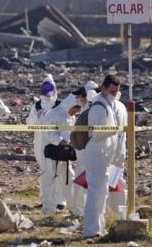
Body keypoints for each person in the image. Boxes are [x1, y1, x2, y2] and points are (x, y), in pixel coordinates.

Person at [82, 75, 127, 239]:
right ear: (103, 89)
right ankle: (91, 229)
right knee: (96, 193)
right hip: (97, 155)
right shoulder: (98, 107)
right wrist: (113, 130)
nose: (114, 94)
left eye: (116, 91)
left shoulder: (114, 106)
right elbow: (95, 133)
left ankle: (101, 226)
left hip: (108, 156)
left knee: (103, 194)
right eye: (111, 91)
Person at [40, 92, 81, 214]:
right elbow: (48, 132)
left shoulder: (70, 117)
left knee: (69, 180)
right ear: (70, 106)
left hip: (65, 155)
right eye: (75, 109)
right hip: (53, 153)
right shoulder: (54, 114)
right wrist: (59, 141)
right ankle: (48, 208)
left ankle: (74, 208)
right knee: (49, 181)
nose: (75, 113)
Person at [26, 75, 60, 210]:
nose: (47, 95)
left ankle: (58, 200)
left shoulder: (59, 105)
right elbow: (29, 122)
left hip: (56, 140)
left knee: (57, 170)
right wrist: (38, 118)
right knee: (45, 170)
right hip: (40, 141)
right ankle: (45, 199)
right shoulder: (37, 105)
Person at [70, 81, 99, 217]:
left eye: (81, 96)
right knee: (82, 179)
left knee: (85, 180)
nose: (78, 99)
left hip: (87, 150)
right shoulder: (87, 107)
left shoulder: (92, 108)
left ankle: (80, 210)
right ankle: (79, 209)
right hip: (84, 150)